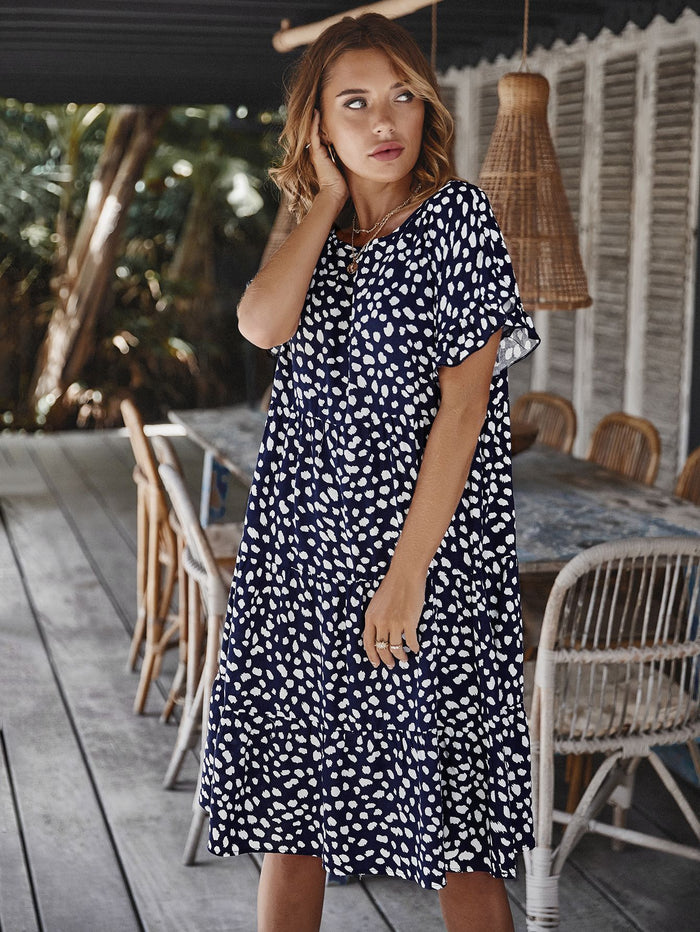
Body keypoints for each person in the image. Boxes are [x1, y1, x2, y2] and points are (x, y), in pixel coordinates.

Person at [199, 12, 539, 932]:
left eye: (401, 98)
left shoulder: (459, 219)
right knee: (292, 821)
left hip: (427, 562)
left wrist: (405, 576)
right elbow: (260, 325)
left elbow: (465, 413)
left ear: (428, 108)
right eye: (354, 103)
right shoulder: (319, 236)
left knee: (456, 829)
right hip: (303, 559)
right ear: (318, 125)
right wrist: (326, 200)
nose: (385, 121)